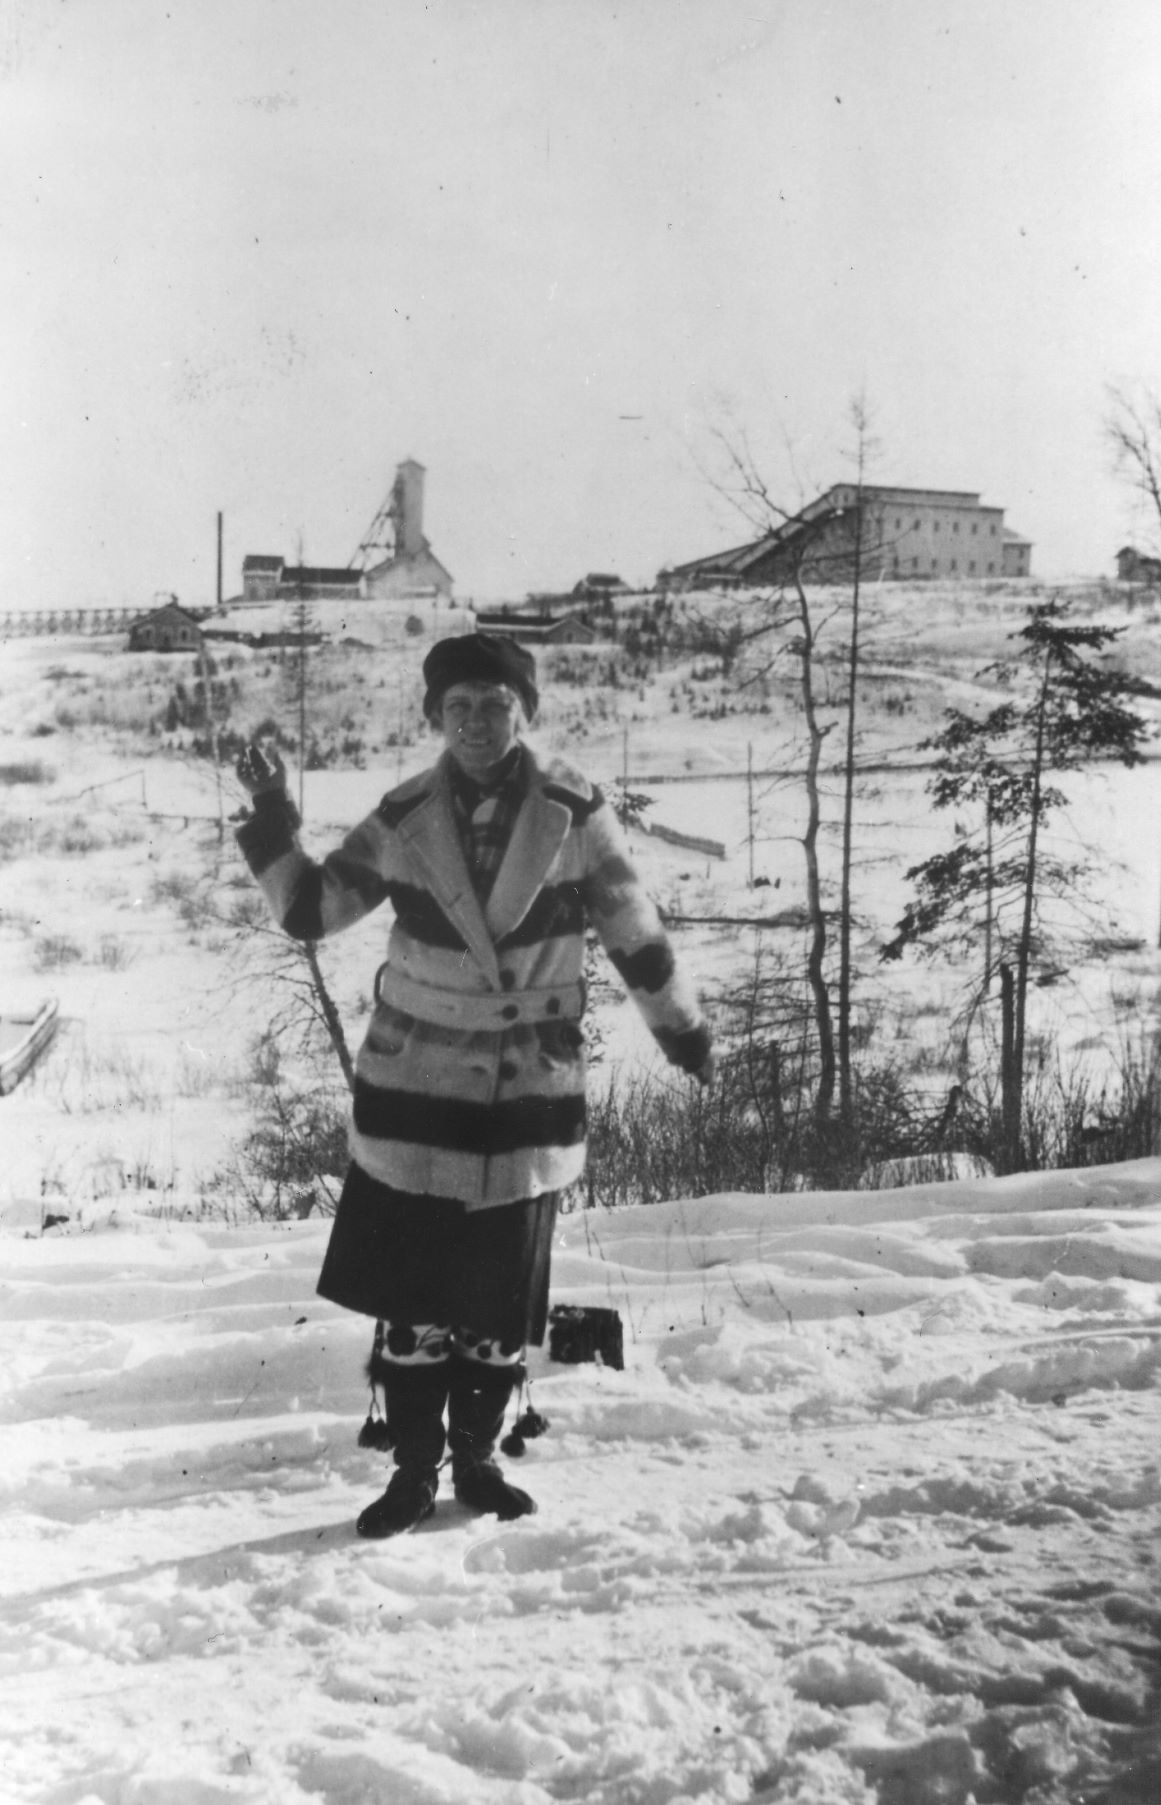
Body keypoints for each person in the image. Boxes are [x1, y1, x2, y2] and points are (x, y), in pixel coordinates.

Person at [234, 630, 714, 1538]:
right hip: (414, 1089)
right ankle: (414, 1472)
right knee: (414, 1307)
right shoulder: (404, 815)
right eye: (458, 707)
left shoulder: (574, 813)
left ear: (523, 712)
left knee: (493, 1310)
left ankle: (477, 1463)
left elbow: (632, 928)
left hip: (523, 1091)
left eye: (495, 705)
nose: (477, 723)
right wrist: (270, 812)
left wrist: (680, 1028)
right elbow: (310, 909)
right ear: (435, 718)